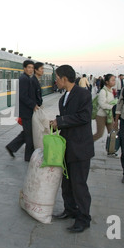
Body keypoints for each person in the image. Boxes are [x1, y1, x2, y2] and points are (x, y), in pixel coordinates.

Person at [50, 65, 94, 233]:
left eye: (57, 78)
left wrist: (60, 121)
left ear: (64, 78)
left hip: (80, 147)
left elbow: (84, 117)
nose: (56, 81)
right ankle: (70, 210)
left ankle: (84, 218)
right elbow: (66, 119)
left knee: (79, 185)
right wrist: (55, 123)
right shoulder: (63, 99)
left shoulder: (83, 94)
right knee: (66, 184)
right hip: (67, 147)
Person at [5, 60, 40, 162]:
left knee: (27, 132)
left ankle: (11, 147)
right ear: (24, 68)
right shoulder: (24, 79)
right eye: (29, 67)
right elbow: (23, 96)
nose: (31, 70)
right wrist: (33, 105)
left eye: (32, 68)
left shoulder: (26, 78)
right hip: (26, 111)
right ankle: (28, 157)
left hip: (27, 111)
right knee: (29, 136)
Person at [92, 74, 118, 157]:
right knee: (99, 134)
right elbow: (102, 104)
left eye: (114, 80)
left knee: (112, 133)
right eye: (112, 80)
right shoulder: (103, 91)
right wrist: (112, 106)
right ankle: (86, 144)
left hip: (109, 115)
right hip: (101, 115)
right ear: (107, 82)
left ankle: (111, 151)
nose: (114, 82)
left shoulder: (110, 90)